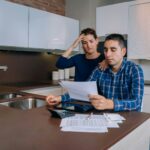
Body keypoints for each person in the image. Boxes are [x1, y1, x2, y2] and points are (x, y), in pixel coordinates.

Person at [47, 33, 144, 112]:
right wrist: (59, 98)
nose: (108, 54)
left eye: (113, 50)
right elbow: (83, 91)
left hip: (129, 119)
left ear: (123, 51)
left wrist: (110, 103)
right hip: (106, 118)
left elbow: (136, 102)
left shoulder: (134, 70)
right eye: (105, 50)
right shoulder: (99, 69)